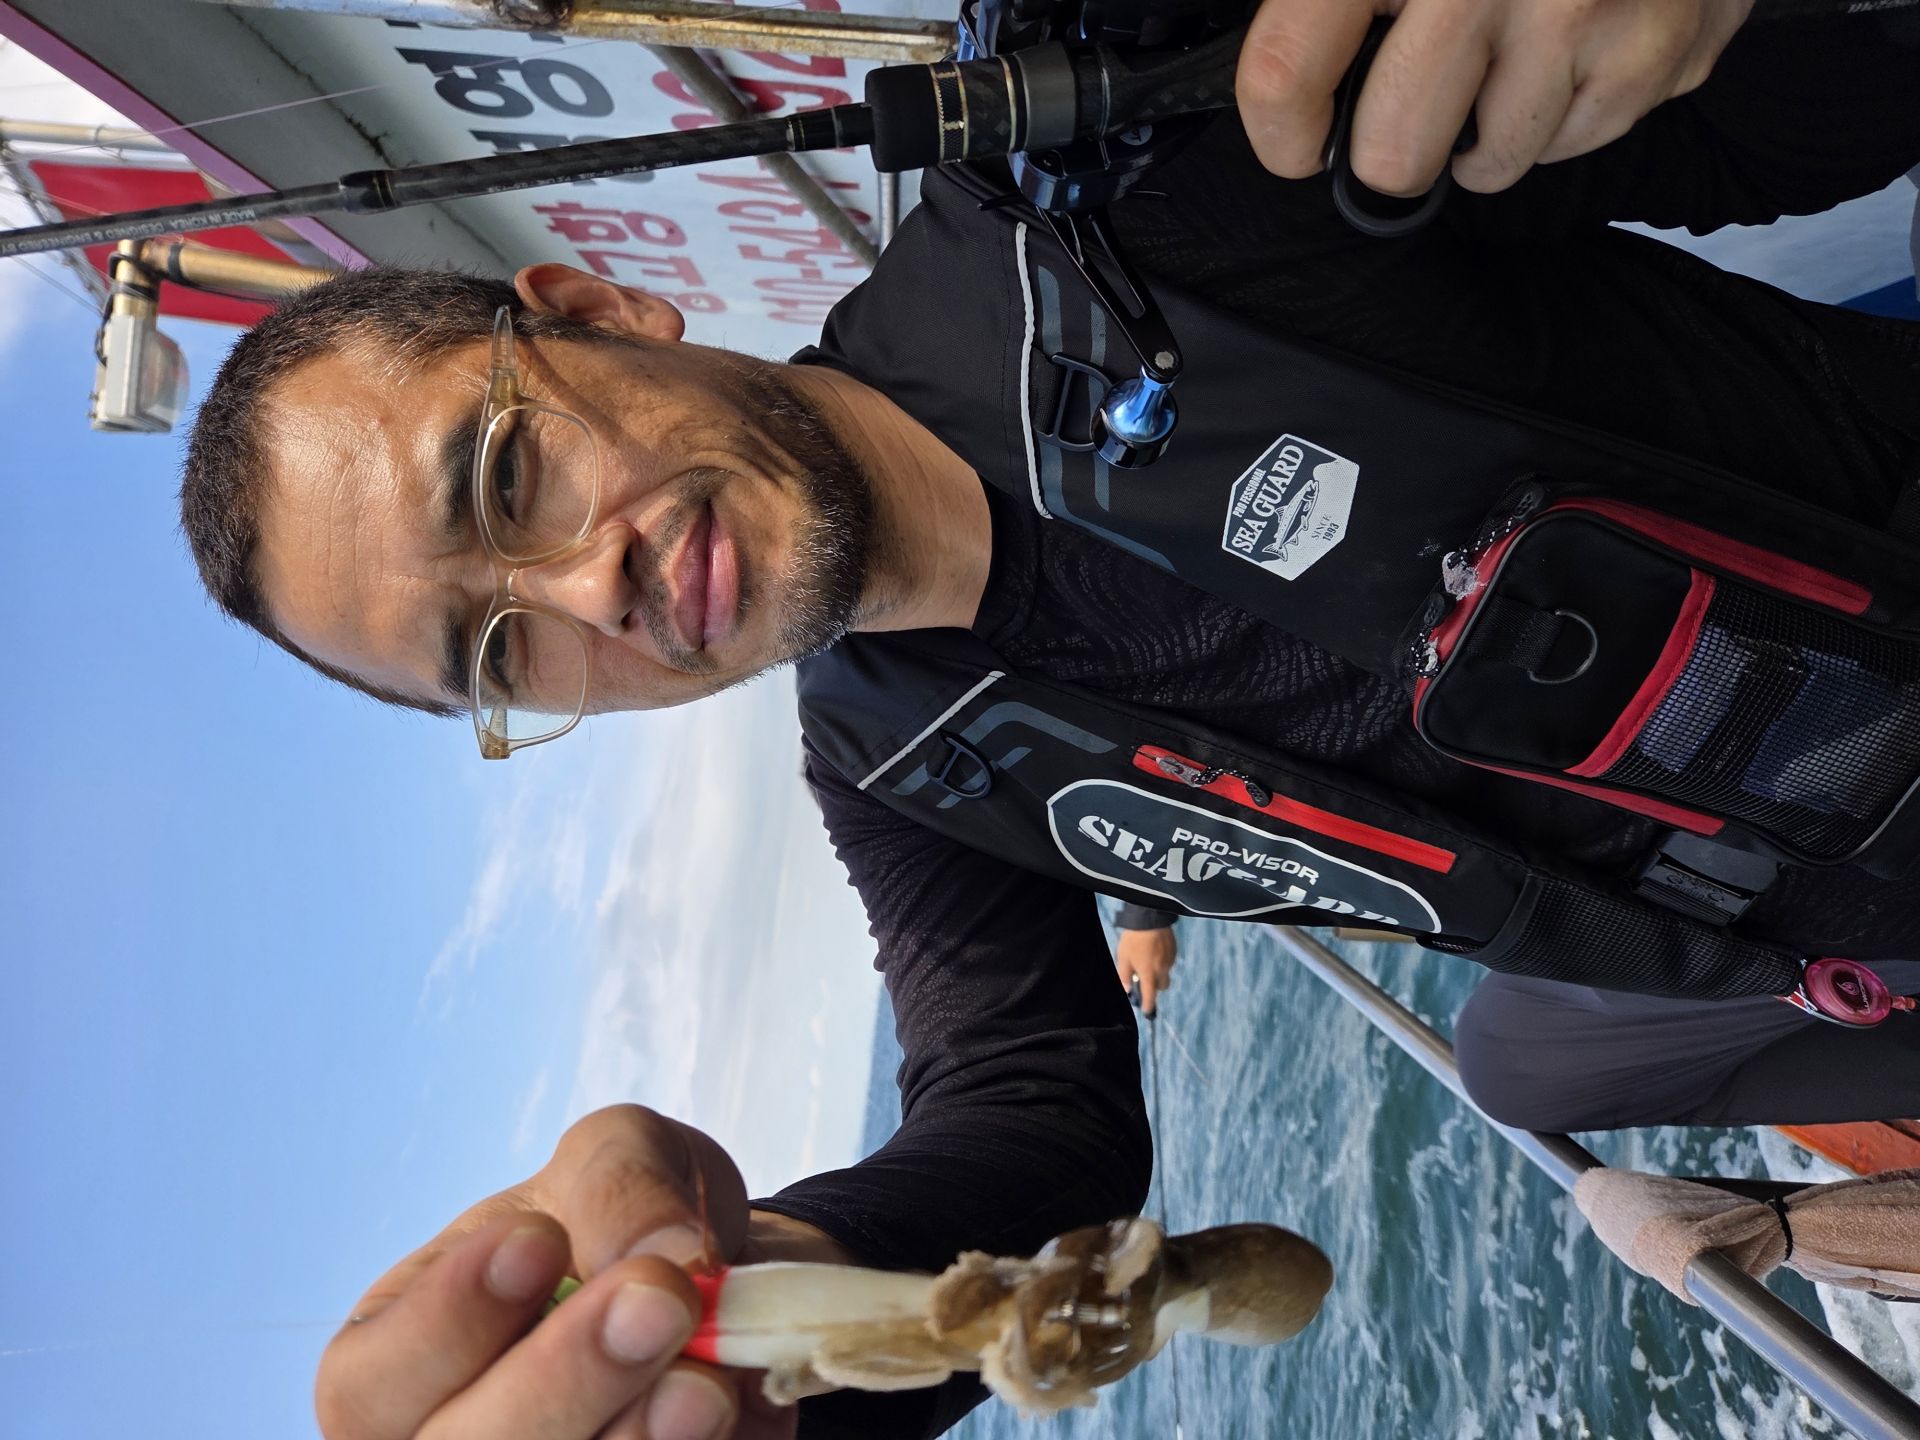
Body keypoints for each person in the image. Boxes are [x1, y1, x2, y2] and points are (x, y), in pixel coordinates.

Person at [174, 5, 1920, 1438]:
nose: (584, 588)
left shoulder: (1139, 163)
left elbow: (1812, 115)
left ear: (597, 311)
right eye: (495, 654)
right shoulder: (889, 761)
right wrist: (779, 1308)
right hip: (1840, 941)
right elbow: (1029, 1120)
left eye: (507, 471)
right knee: (1521, 1062)